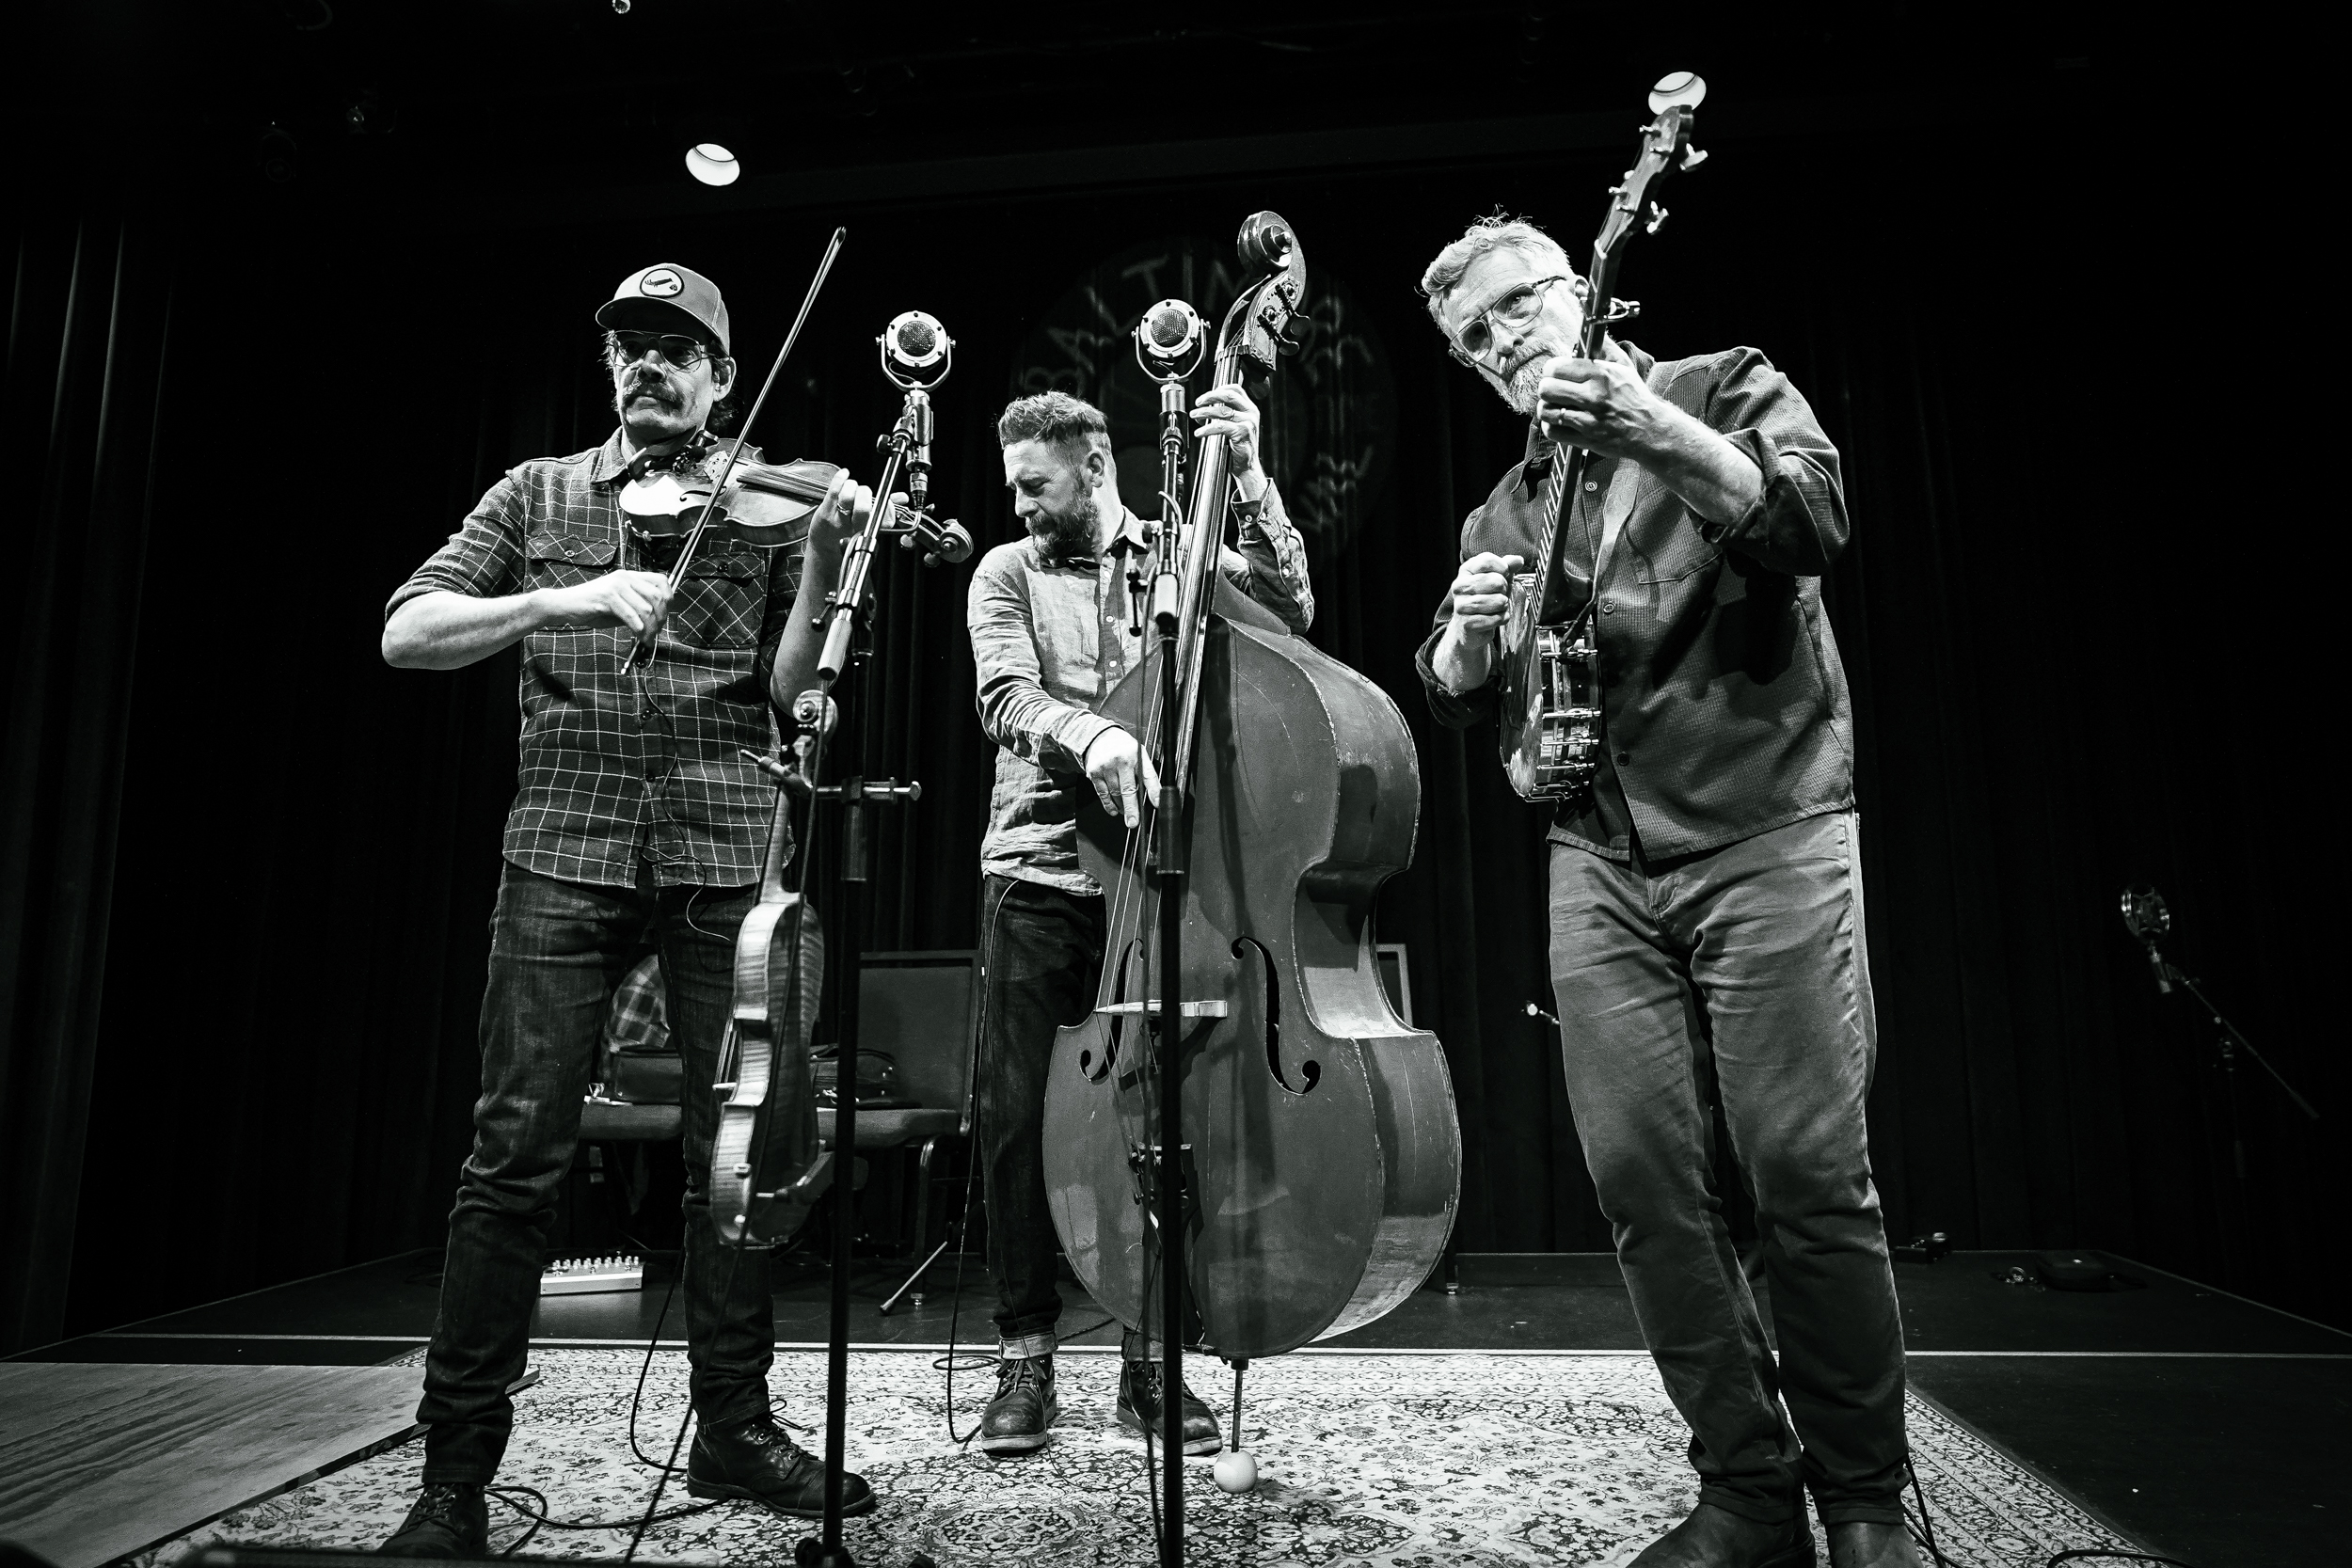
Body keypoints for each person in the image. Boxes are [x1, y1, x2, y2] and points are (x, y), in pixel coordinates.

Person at [1414, 215, 1919, 1568]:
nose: (1508, 338)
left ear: (1583, 287)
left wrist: (1649, 429)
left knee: (1807, 1168)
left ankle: (1866, 1497)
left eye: (1522, 303)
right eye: (1479, 334)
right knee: (1642, 1179)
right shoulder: (1506, 507)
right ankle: (1750, 1490)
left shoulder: (1717, 384)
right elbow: (1476, 697)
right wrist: (1464, 651)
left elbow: (1812, 517)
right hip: (1600, 856)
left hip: (1764, 822)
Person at [377, 262, 875, 1555]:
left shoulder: (766, 500)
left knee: (739, 1150)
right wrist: (566, 595)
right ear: (609, 365)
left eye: (676, 350)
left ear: (721, 373)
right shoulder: (534, 493)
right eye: (629, 347)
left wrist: (822, 565)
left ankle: (733, 1423)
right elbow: (407, 631)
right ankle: (455, 1473)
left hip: (722, 844)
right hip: (563, 845)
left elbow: (791, 679)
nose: (647, 366)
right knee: (513, 1153)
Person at [963, 387, 1314, 1456]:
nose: (1019, 502)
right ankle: (1025, 1357)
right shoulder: (1006, 570)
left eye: (1036, 483)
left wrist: (1249, 478)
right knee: (1020, 1124)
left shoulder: (1181, 549)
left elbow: (1292, 612)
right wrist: (1094, 737)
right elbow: (1003, 697)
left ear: (1095, 466)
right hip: (1036, 876)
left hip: (1166, 879)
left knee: (1163, 1125)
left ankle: (1150, 1365)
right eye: (1012, 484)